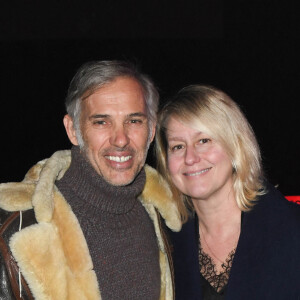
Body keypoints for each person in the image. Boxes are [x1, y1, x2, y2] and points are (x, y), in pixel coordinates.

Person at [0, 60, 181, 300]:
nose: (120, 139)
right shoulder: (13, 227)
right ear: (73, 129)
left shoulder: (167, 222)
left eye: (134, 121)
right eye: (101, 122)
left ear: (151, 130)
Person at [155, 84, 300, 300]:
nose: (190, 158)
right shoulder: (162, 240)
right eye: (178, 146)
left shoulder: (291, 230)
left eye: (203, 141)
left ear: (236, 146)